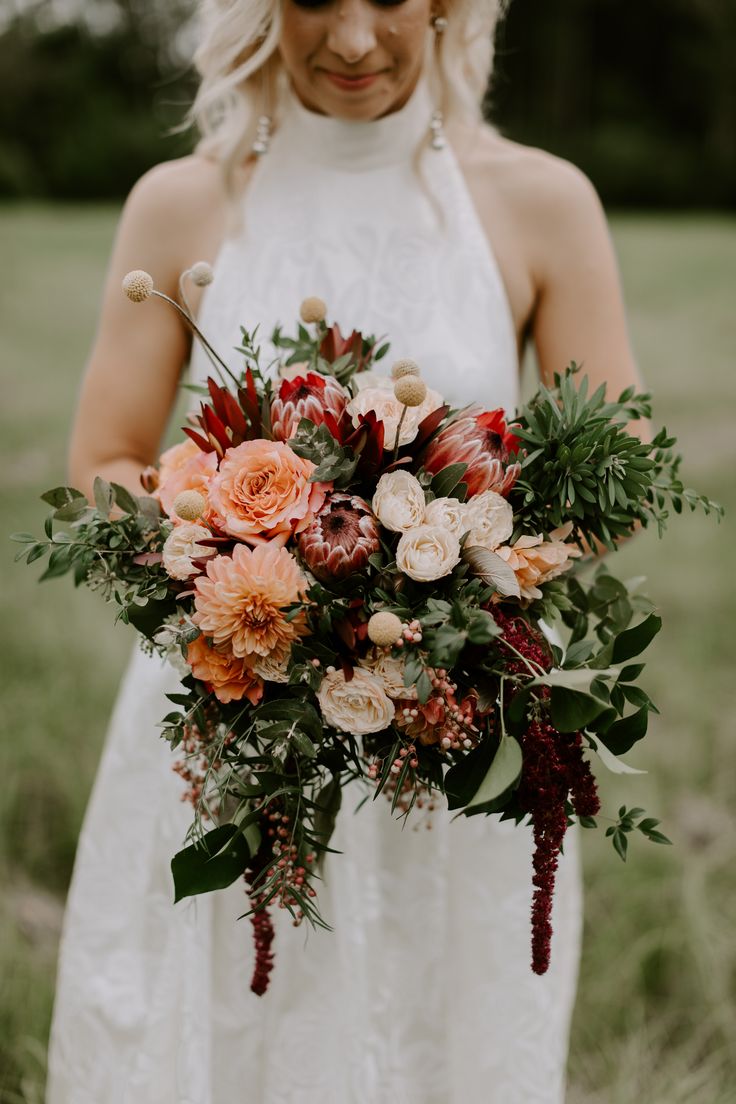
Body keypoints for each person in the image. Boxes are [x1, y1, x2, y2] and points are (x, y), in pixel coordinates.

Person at [48, 2, 644, 1102]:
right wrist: (234, 552)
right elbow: (109, 456)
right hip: (235, 710)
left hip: (457, 728)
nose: (357, 41)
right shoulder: (182, 203)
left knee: (443, 1023)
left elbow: (621, 475)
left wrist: (462, 562)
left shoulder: (539, 202)